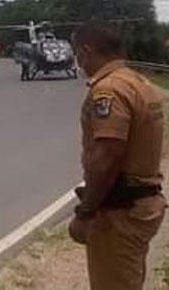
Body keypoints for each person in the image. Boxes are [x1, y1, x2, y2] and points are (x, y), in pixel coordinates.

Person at [68, 23, 165, 290]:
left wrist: (86, 211)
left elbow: (108, 155)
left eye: (77, 54)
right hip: (141, 203)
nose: (78, 62)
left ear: (86, 51)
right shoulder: (139, 83)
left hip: (119, 213)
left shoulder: (108, 90)